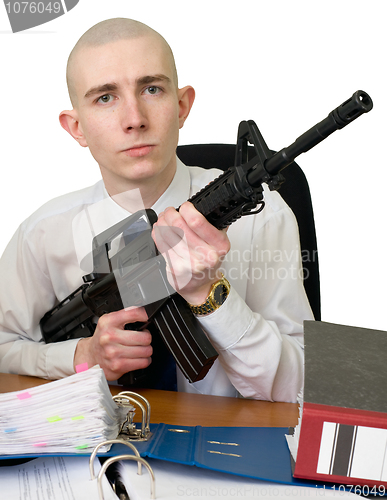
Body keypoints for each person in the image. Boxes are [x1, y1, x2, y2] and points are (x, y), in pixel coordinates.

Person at [0, 18, 313, 402]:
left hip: (229, 448)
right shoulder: (44, 233)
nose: (135, 119)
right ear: (76, 127)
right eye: (105, 97)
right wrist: (82, 356)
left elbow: (304, 388)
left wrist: (209, 295)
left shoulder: (263, 217)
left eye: (151, 89)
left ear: (182, 106)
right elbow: (4, 350)